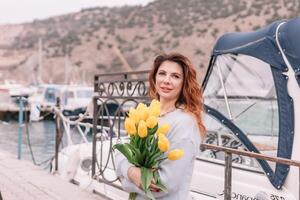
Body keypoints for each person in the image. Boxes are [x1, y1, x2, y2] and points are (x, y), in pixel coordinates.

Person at [115, 53, 206, 200]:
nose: (166, 80)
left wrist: (124, 176)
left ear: (184, 83)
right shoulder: (148, 112)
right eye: (162, 73)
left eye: (175, 76)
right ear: (154, 77)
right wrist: (132, 172)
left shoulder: (184, 122)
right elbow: (122, 151)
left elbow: (164, 184)